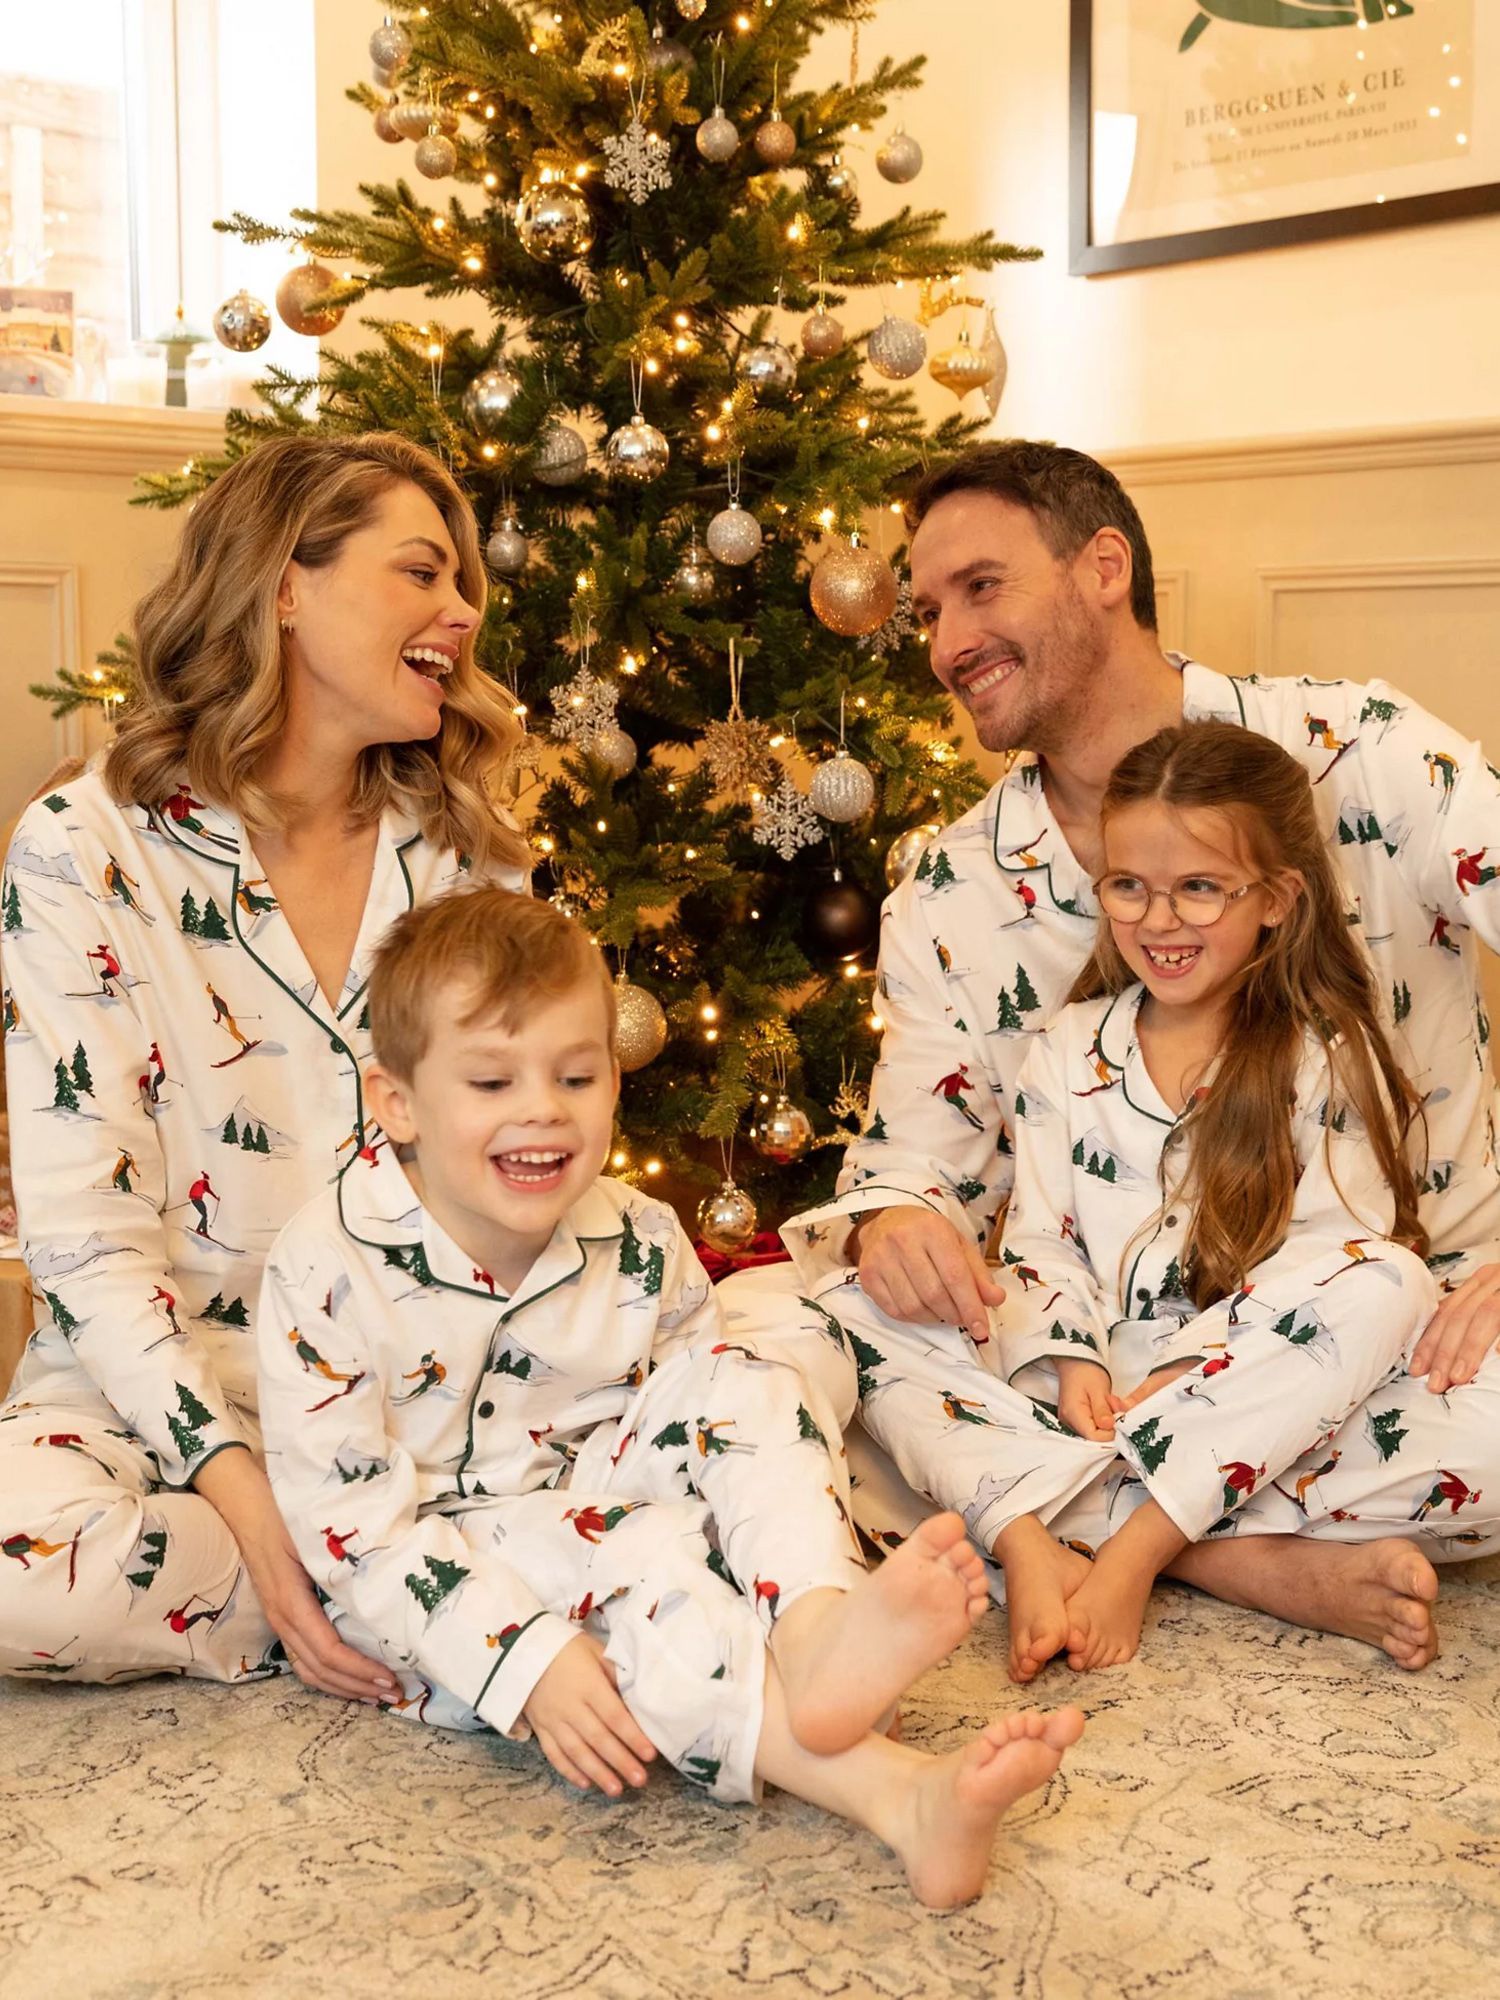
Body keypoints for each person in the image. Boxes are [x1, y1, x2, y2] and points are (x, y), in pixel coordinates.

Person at [781, 439, 1500, 1671]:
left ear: (1103, 566)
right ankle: (1225, 1544)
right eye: (928, 609)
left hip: (1414, 1332)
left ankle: (1090, 1521)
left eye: (981, 587)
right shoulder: (950, 888)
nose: (946, 640)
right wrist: (896, 1226)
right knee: (812, 1312)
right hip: (1103, 1360)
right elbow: (911, 1170)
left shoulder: (1363, 748)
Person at [255, 887, 1083, 1910]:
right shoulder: (323, 1265)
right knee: (660, 1580)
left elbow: (699, 1412)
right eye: (490, 1078)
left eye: (575, 1073)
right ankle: (902, 1795)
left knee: (746, 1378)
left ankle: (817, 1628)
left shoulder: (638, 1232)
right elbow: (356, 1534)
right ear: (398, 1102)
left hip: (611, 1492)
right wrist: (528, 1657)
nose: (543, 1108)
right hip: (444, 1566)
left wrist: (744, 1550)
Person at [0, 431, 530, 1695]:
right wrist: (247, 1503)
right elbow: (82, 1233)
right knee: (22, 1575)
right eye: (421, 573)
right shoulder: (86, 846)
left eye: (463, 586)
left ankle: (399, 1575)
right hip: (162, 1373)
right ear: (285, 586)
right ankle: (414, 1591)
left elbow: (516, 1159)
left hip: (414, 1362)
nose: (461, 612)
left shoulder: (464, 850)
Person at [988, 723, 1435, 1677]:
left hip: (1257, 1388)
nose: (1158, 921)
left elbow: (1334, 1269)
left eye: (1198, 887)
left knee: (1393, 1284)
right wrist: (1072, 1371)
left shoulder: (1324, 1053)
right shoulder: (1065, 1051)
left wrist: (1190, 1378)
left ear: (1275, 900)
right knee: (838, 1318)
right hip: (1091, 1399)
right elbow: (1038, 1247)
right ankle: (1238, 1557)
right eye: (1128, 887)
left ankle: (1134, 1539)